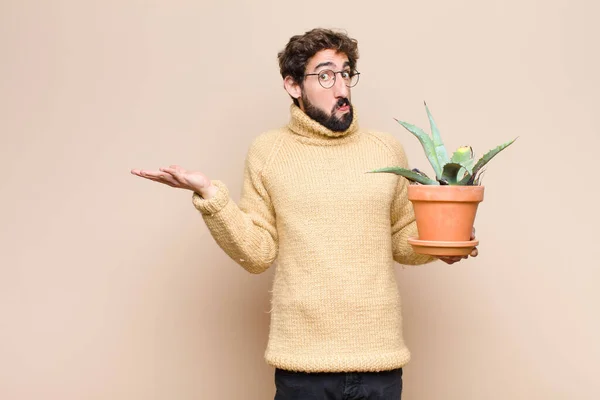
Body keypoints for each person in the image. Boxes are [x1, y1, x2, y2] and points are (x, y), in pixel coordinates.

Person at [131, 27, 477, 400]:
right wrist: (210, 196)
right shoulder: (269, 152)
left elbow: (400, 238)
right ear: (293, 86)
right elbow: (258, 252)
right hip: (302, 367)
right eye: (325, 75)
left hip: (380, 363)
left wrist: (444, 244)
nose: (341, 88)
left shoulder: (386, 150)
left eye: (345, 73)